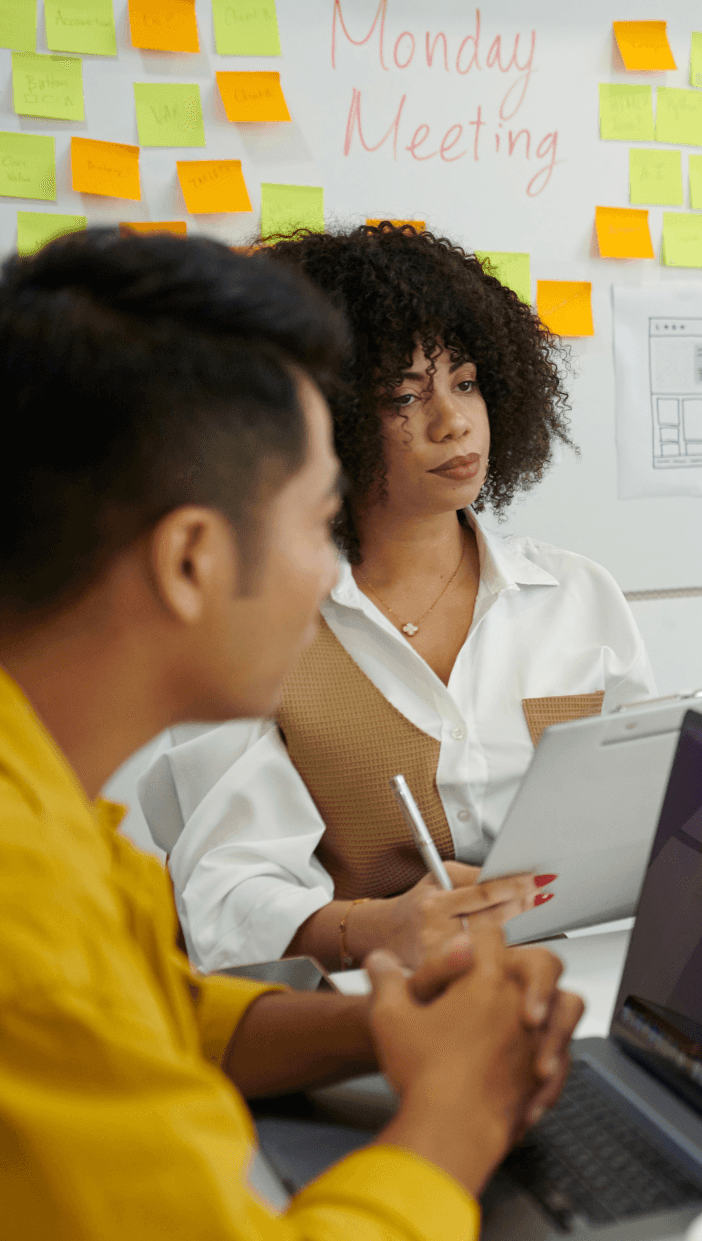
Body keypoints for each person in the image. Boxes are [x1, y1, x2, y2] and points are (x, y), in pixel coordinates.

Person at [0, 228, 583, 1241]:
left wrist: (386, 1027)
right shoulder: (21, 920)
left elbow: (162, 1013)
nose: (332, 578)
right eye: (319, 523)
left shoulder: (38, 800)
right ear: (192, 558)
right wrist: (458, 1113)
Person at [157, 224, 658, 972]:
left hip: (579, 983)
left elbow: (659, 821)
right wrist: (385, 925)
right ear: (323, 421)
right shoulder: (248, 627)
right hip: (369, 1011)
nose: (452, 421)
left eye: (465, 382)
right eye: (403, 396)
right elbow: (229, 898)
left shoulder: (577, 596)